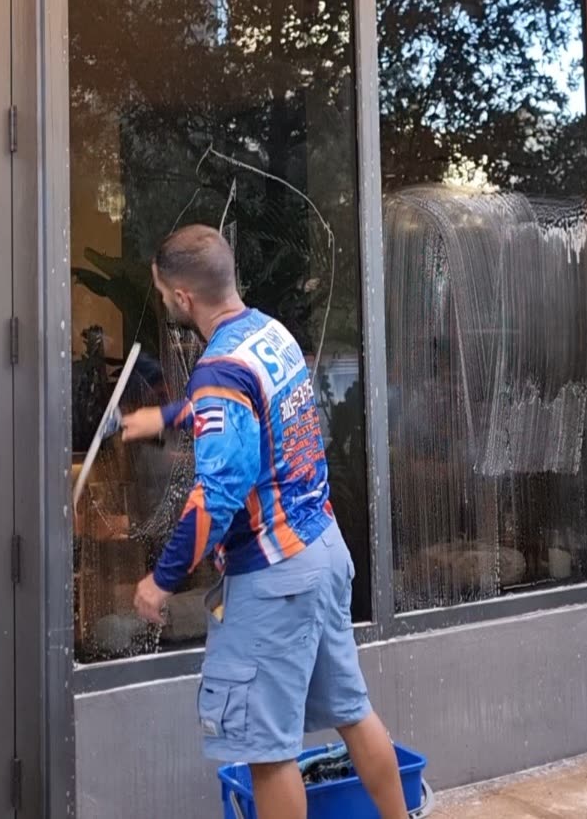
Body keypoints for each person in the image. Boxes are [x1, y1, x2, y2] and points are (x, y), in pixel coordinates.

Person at [120, 224, 409, 819]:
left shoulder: (219, 370)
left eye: (161, 291)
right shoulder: (269, 333)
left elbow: (219, 492)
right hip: (321, 549)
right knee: (354, 713)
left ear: (182, 299)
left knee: (266, 750)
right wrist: (167, 416)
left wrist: (162, 580)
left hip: (275, 576)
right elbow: (246, 404)